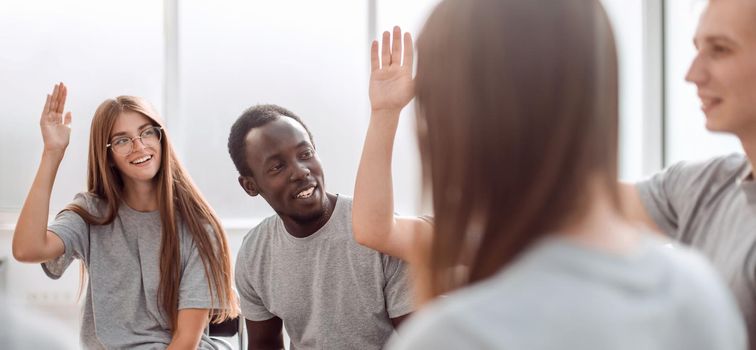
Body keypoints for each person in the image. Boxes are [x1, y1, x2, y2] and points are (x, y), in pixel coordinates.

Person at [351, 1, 747, 348]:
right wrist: (385, 113)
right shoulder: (701, 295)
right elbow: (374, 229)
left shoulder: (456, 337)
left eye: (721, 49)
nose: (692, 74)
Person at [12, 83, 238, 349]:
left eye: (147, 133)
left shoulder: (198, 227)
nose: (139, 146)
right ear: (107, 155)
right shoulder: (92, 214)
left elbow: (185, 341)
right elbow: (27, 249)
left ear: (160, 139)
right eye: (122, 140)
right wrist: (52, 154)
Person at [621, 0, 756, 345]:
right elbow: (581, 201)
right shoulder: (708, 186)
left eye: (720, 50)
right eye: (698, 49)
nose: (692, 74)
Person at [227, 104, 413, 349]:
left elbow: (419, 339)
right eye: (277, 167)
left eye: (305, 154)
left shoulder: (384, 235)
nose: (301, 172)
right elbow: (264, 345)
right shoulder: (255, 252)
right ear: (250, 186)